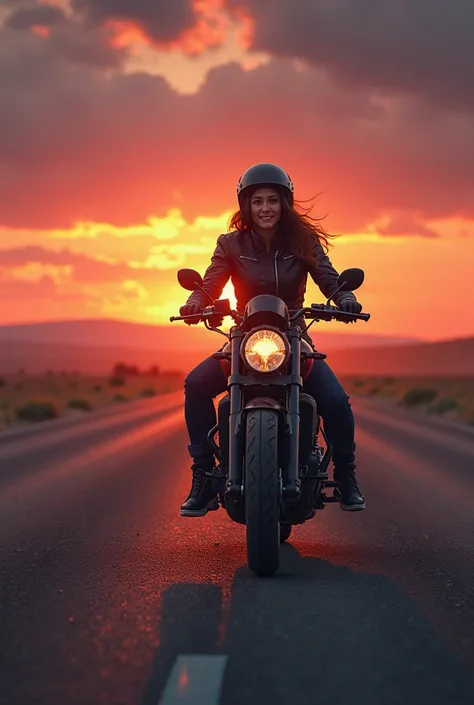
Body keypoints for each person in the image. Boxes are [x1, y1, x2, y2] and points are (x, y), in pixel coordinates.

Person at [179, 163, 365, 517]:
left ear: (285, 204)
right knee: (196, 384)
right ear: (245, 206)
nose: (265, 208)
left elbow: (328, 278)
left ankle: (345, 476)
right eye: (257, 201)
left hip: (294, 338)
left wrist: (344, 298)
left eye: (273, 201)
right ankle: (202, 476)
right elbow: (210, 282)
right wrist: (195, 303)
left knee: (337, 402)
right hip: (243, 338)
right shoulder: (230, 244)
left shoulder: (303, 242)